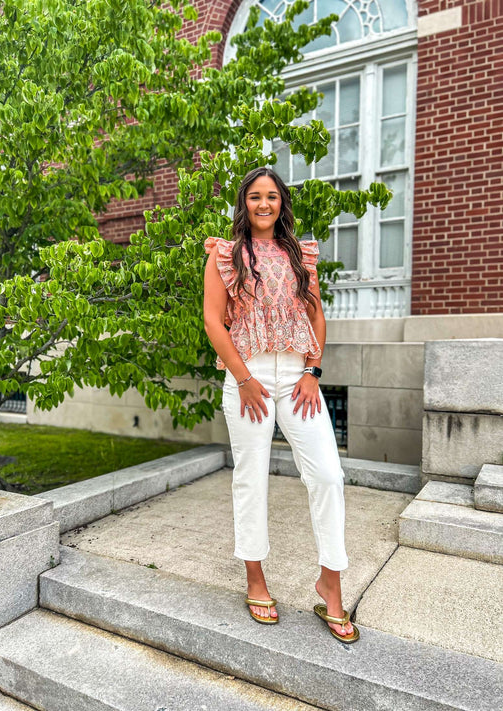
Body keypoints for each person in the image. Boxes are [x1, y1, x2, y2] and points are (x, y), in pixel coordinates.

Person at [203, 166, 359, 643]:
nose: (264, 204)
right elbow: (213, 321)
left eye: (272, 196)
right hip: (246, 378)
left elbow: (316, 316)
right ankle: (256, 579)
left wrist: (313, 371)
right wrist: (244, 379)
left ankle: (330, 584)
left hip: (297, 380)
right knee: (251, 478)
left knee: (329, 475)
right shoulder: (224, 255)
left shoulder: (299, 253)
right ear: (243, 203)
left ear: (281, 202)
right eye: (255, 196)